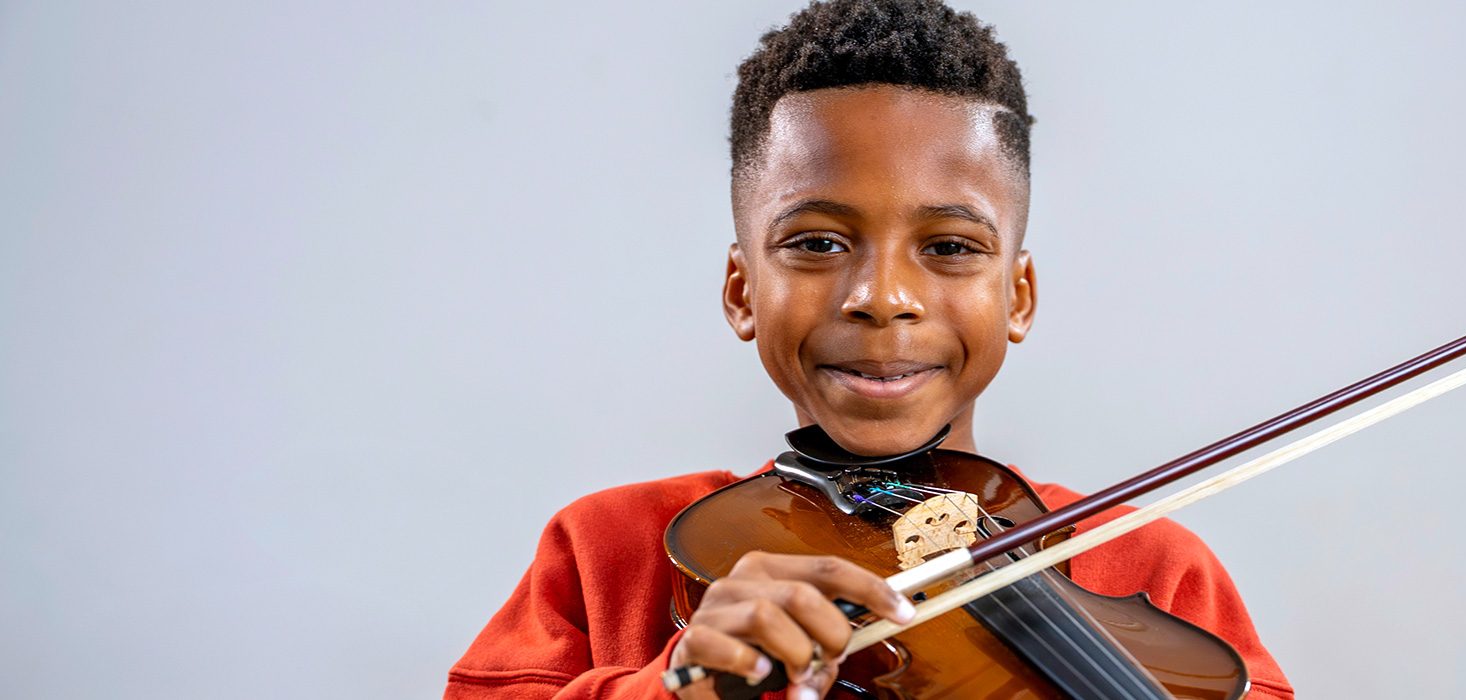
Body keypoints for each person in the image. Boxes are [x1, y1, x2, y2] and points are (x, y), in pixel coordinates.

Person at [445, 1, 1295, 698]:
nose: (883, 297)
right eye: (816, 243)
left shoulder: (1150, 568)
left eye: (950, 247)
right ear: (742, 291)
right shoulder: (611, 548)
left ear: (1018, 297)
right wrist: (679, 686)